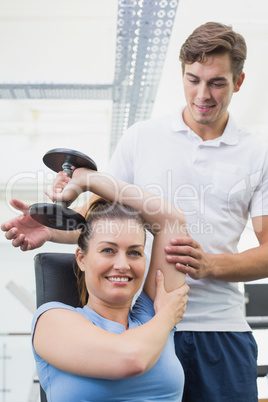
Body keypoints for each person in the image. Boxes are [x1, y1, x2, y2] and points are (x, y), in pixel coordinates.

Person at [2, 21, 268, 401]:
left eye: (217, 83)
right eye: (193, 79)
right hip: (138, 318)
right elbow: (104, 226)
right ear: (181, 74)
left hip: (218, 328)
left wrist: (210, 266)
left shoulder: (258, 155)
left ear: (238, 81)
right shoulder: (142, 138)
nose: (202, 94)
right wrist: (53, 228)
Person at [32, 167, 189, 401]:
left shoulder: (151, 315)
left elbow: (172, 221)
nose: (123, 265)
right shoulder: (52, 320)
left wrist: (89, 180)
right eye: (108, 250)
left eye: (134, 253)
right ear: (82, 259)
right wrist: (167, 317)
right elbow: (130, 360)